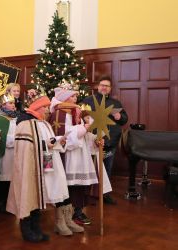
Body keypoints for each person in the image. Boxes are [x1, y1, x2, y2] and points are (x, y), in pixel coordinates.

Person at [6, 90, 52, 242]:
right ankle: (27, 231)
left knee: (36, 197)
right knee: (27, 195)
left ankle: (36, 228)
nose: (48, 109)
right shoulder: (25, 122)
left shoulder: (38, 122)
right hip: (28, 166)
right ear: (38, 107)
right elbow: (25, 149)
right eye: (45, 106)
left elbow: (39, 143)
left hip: (37, 165)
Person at [49, 88, 98, 225]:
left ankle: (76, 213)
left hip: (80, 155)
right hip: (68, 156)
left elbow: (83, 135)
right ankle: (64, 219)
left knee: (78, 186)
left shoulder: (76, 112)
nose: (76, 97)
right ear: (65, 98)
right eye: (73, 95)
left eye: (76, 95)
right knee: (68, 186)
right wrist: (81, 130)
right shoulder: (59, 114)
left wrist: (94, 140)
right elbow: (61, 138)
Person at [82, 76, 128, 204]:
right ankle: (89, 194)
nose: (104, 87)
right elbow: (80, 117)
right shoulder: (88, 101)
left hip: (110, 142)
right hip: (92, 143)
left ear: (110, 89)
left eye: (107, 86)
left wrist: (119, 116)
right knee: (91, 169)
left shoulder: (116, 103)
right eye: (102, 85)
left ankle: (105, 194)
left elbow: (125, 119)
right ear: (98, 86)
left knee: (107, 169)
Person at [0, 93, 18, 213]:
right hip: (4, 153)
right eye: (10, 103)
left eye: (13, 103)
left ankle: (9, 202)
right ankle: (1, 202)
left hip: (14, 153)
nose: (13, 105)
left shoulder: (15, 118)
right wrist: (15, 139)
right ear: (3, 105)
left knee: (12, 178)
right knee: (3, 177)